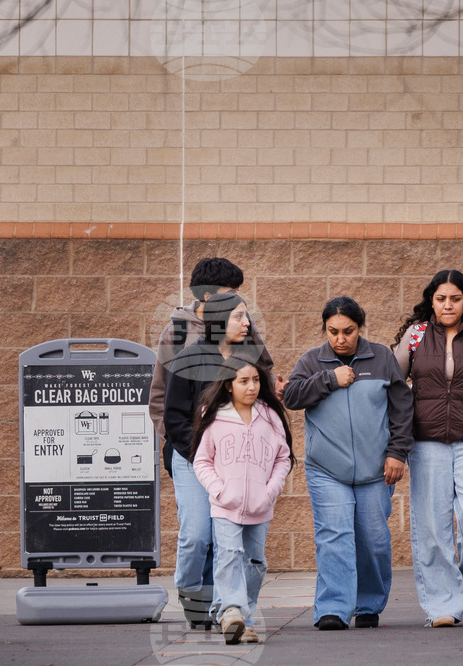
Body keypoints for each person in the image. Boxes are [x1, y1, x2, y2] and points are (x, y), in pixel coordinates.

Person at [283, 296, 414, 631]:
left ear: (360, 328)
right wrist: (329, 379)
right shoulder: (312, 360)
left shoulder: (382, 357)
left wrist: (397, 453)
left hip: (375, 470)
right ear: (325, 329)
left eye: (348, 331)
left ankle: (368, 604)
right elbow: (291, 397)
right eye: (333, 331)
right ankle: (333, 608)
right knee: (334, 536)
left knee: (373, 540)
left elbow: (402, 408)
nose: (340, 339)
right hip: (326, 470)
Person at [392, 269, 463, 628]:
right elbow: (393, 383)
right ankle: (442, 604)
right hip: (426, 441)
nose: (448, 305)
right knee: (433, 527)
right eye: (441, 299)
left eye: (455, 298)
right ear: (431, 301)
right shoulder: (416, 335)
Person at [163, 292, 261, 629]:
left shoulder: (250, 359)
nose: (246, 322)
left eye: (246, 316)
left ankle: (225, 608)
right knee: (197, 536)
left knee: (228, 541)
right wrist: (203, 455)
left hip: (235, 464)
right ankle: (191, 593)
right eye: (238, 316)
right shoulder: (188, 359)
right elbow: (174, 417)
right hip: (191, 458)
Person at [192, 356, 294, 644]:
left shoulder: (270, 417)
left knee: (255, 563)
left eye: (256, 380)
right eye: (244, 381)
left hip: (260, 506)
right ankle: (232, 613)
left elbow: (283, 458)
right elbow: (202, 461)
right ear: (228, 385)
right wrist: (219, 491)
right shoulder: (214, 416)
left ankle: (242, 619)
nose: (252, 387)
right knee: (228, 556)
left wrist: (270, 491)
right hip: (225, 505)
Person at [149, 257, 274, 478]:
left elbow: (263, 371)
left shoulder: (245, 326)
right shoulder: (177, 332)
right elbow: (160, 391)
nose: (237, 297)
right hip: (191, 453)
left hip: (238, 452)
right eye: (231, 292)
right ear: (208, 296)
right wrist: (175, 440)